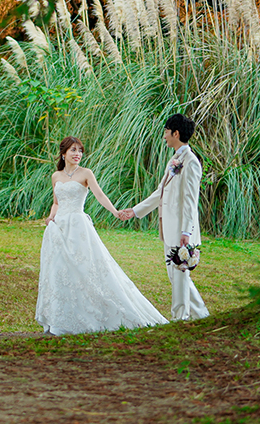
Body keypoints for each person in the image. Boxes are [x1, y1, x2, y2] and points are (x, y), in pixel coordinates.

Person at [35, 136, 167, 335]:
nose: (77, 154)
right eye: (73, 150)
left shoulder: (86, 173)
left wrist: (115, 212)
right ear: (63, 153)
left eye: (80, 150)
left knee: (85, 269)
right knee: (60, 271)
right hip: (59, 228)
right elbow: (56, 202)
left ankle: (95, 314)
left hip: (78, 227)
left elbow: (100, 195)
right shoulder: (56, 176)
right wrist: (51, 217)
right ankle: (61, 321)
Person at [120, 113, 210, 322]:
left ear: (176, 133)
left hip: (181, 230)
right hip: (169, 227)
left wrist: (186, 231)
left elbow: (190, 200)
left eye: (166, 132)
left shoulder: (190, 162)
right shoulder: (175, 159)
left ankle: (180, 317)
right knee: (176, 275)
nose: (164, 136)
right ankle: (201, 315)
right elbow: (160, 192)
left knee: (179, 275)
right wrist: (135, 211)